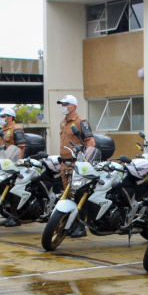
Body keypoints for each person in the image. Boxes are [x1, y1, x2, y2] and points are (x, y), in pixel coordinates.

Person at [57, 94, 95, 237]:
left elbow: (90, 142)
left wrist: (84, 162)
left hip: (76, 164)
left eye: (66, 104)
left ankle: (80, 226)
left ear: (74, 106)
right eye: (62, 104)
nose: (63, 107)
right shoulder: (62, 123)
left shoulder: (81, 122)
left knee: (79, 195)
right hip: (64, 164)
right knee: (68, 196)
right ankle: (70, 225)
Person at [0, 107, 28, 227]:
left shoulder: (16, 129)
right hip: (3, 166)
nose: (1, 118)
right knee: (5, 191)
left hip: (12, 166)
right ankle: (9, 216)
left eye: (3, 116)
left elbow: (21, 147)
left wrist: (19, 164)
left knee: (13, 192)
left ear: (10, 117)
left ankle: (15, 217)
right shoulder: (2, 130)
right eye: (1, 116)